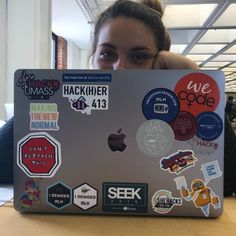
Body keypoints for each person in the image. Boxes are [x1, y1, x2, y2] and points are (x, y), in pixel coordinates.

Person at [0, 0, 236, 196]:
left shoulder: (179, 115)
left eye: (139, 56)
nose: (119, 67)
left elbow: (228, 180)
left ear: (162, 61)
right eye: (107, 54)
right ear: (93, 57)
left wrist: (196, 84)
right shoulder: (64, 104)